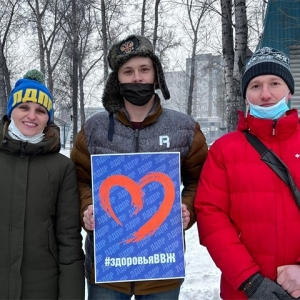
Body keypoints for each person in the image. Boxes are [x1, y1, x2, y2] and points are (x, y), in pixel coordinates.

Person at [70, 34, 208, 299]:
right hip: (107, 269)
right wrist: (87, 207)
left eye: (144, 69)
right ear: (117, 79)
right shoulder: (94, 129)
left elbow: (200, 181)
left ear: (156, 75)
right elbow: (78, 180)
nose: (137, 78)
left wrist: (187, 209)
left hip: (162, 269)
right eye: (128, 71)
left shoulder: (184, 128)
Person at [194, 46, 300, 300]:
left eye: (274, 83)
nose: (265, 94)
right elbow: (211, 217)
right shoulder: (224, 150)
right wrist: (250, 281)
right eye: (255, 86)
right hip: (244, 292)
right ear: (245, 96)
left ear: (289, 91)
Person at [0, 70, 85, 299]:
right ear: (11, 111)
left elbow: (69, 240)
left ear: (48, 117)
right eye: (23, 107)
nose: (31, 116)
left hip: (42, 290)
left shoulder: (62, 167)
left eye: (40, 110)